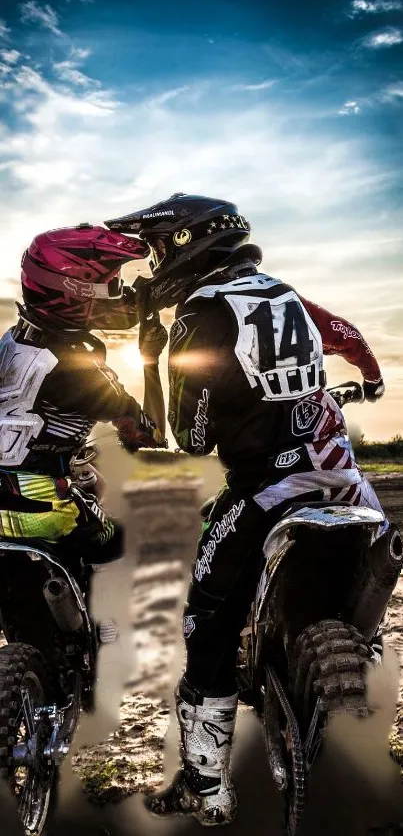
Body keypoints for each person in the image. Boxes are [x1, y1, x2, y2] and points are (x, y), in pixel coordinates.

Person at [106, 194, 387, 825]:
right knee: (360, 606)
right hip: (345, 484)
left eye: (156, 249)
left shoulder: (200, 314)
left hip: (267, 492)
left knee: (203, 623)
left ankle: (207, 792)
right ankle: (353, 676)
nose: (152, 267)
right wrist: (368, 375)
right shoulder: (284, 293)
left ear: (185, 245)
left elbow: (192, 437)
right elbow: (341, 333)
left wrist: (154, 359)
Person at [0, 223, 165, 593]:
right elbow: (150, 432)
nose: (118, 296)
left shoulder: (14, 340)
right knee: (135, 542)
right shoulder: (78, 369)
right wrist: (150, 360)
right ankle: (110, 640)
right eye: (110, 286)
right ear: (73, 293)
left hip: (7, 492)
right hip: (44, 510)